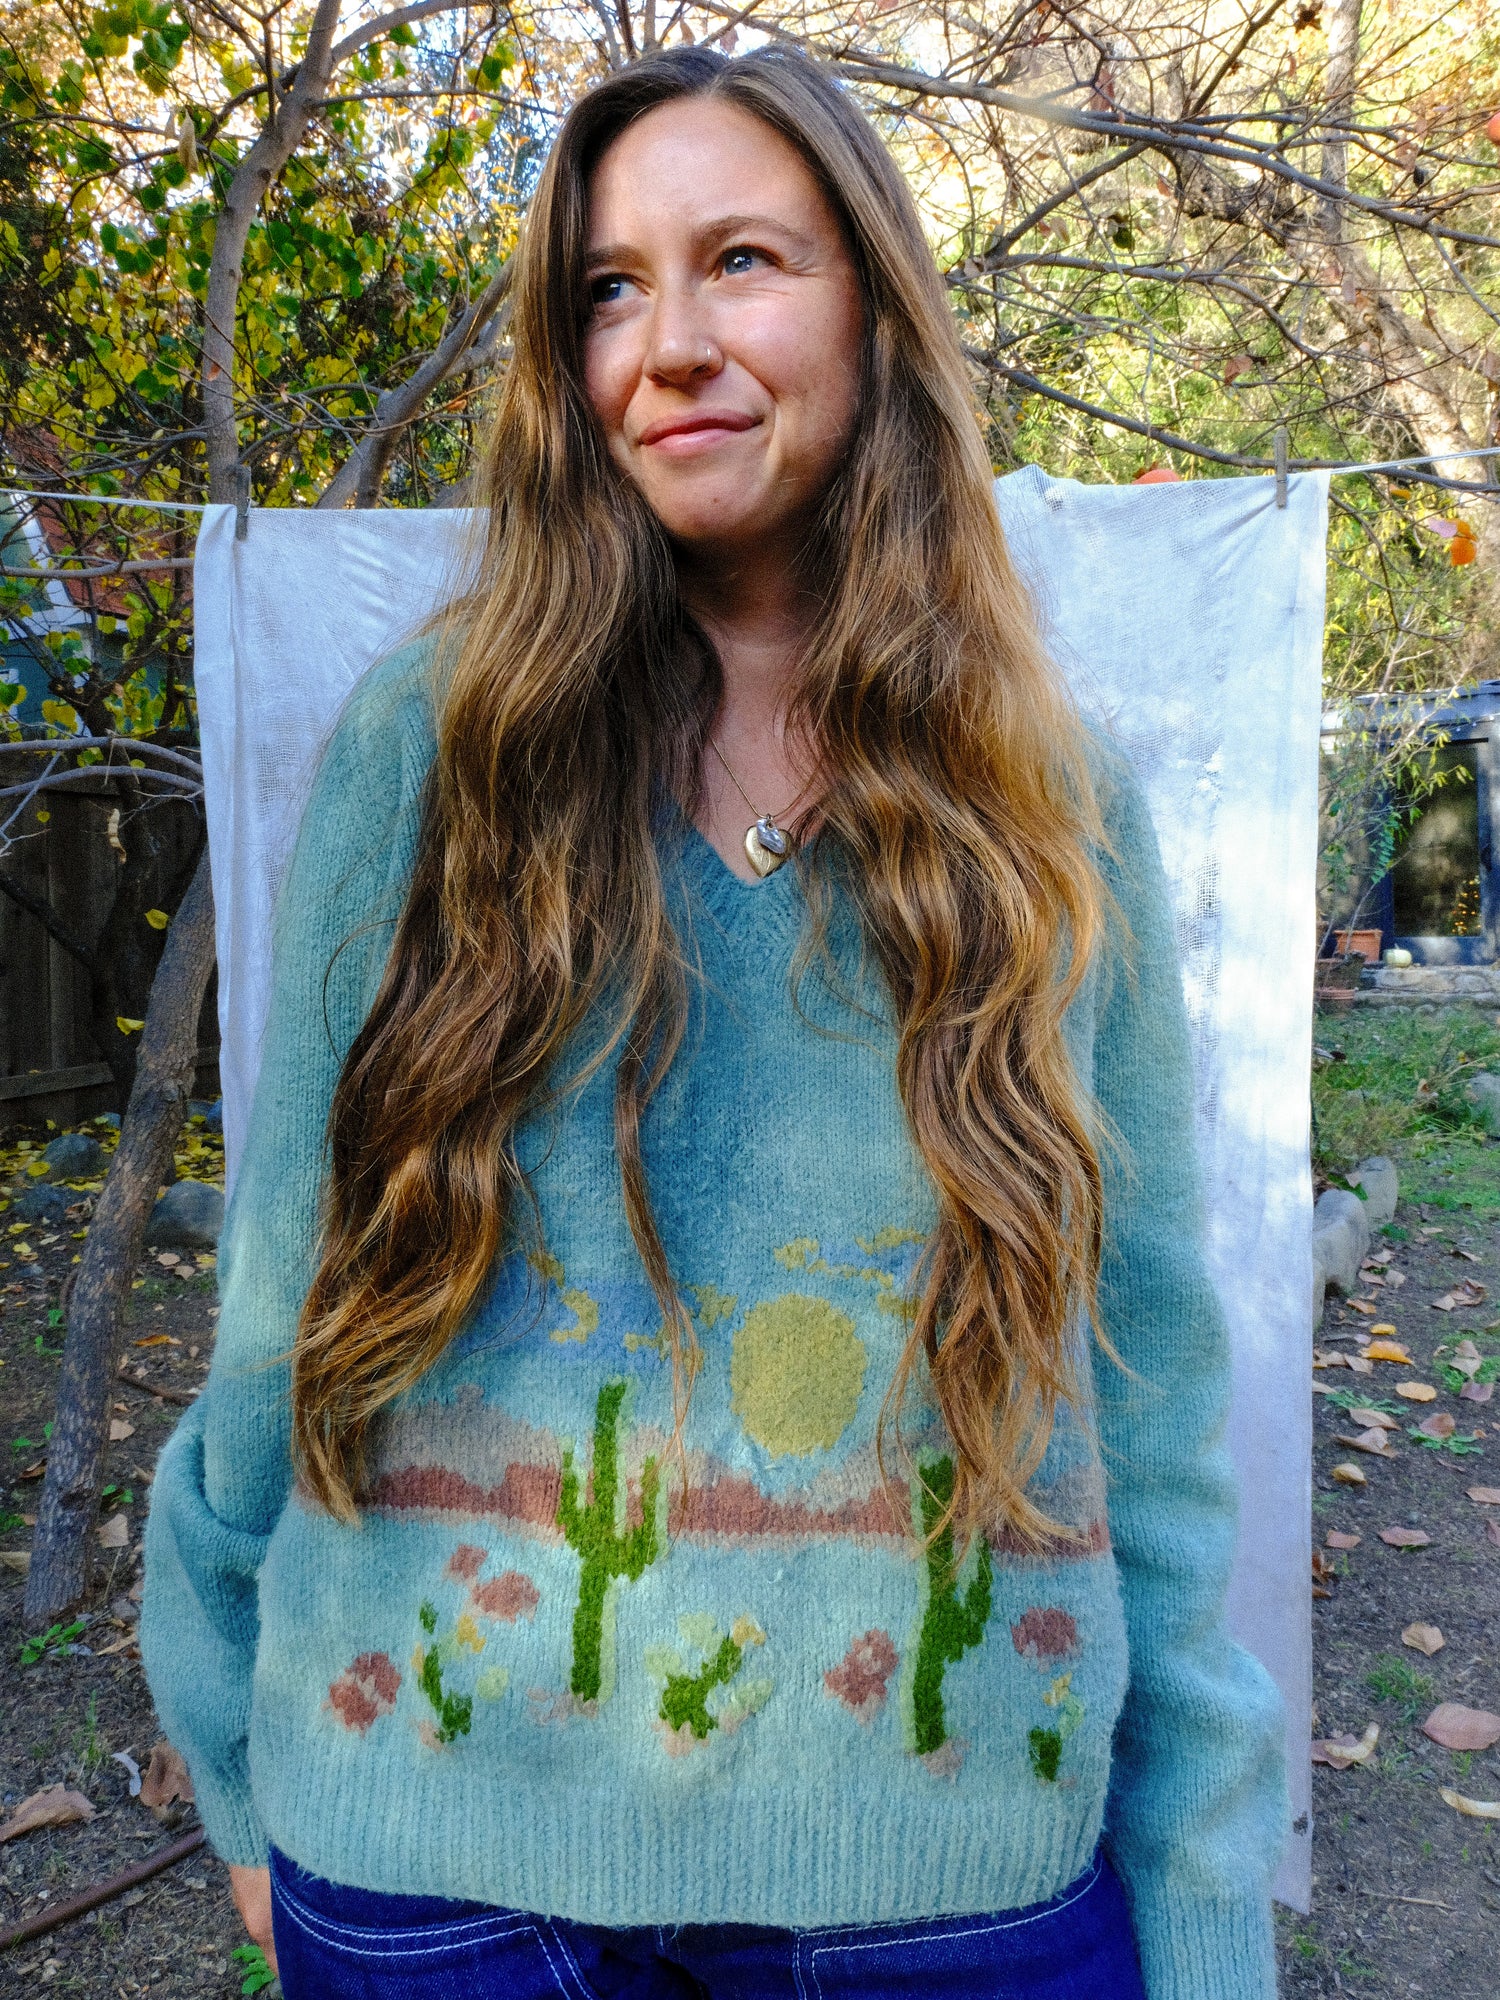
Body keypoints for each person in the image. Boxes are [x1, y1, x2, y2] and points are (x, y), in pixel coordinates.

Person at [142, 45, 1288, 2000]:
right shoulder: (431, 757)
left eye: (742, 259)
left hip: (949, 1895)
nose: (669, 343)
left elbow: (1149, 1381)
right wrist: (238, 1770)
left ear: (875, 312)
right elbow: (288, 1289)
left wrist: (1201, 1891)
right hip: (443, 1890)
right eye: (609, 287)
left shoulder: (1047, 805)